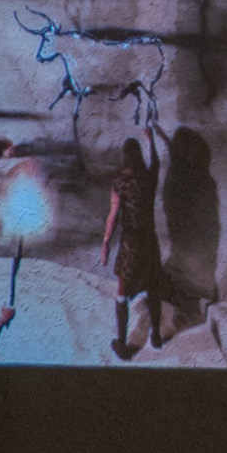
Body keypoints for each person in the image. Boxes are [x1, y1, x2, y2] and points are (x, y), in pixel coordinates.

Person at [100, 128, 165, 358]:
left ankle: (122, 343)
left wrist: (106, 243)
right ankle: (156, 336)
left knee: (122, 288)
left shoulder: (120, 181)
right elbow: (156, 162)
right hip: (149, 239)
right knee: (153, 286)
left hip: (130, 240)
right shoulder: (149, 177)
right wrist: (152, 140)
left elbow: (113, 215)